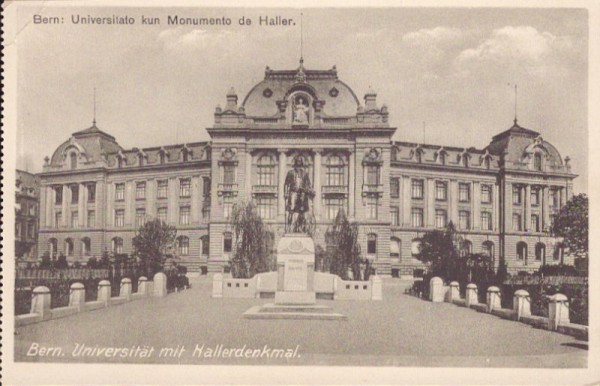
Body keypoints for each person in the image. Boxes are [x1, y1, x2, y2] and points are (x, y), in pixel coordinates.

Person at [284, 157, 314, 233]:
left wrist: (309, 190)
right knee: (291, 210)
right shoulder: (290, 172)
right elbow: (286, 184)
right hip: (293, 193)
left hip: (302, 194)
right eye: (297, 161)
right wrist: (285, 193)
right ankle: (289, 228)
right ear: (295, 163)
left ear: (301, 163)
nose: (298, 163)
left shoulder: (304, 173)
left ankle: (301, 228)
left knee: (302, 212)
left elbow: (308, 184)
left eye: (300, 161)